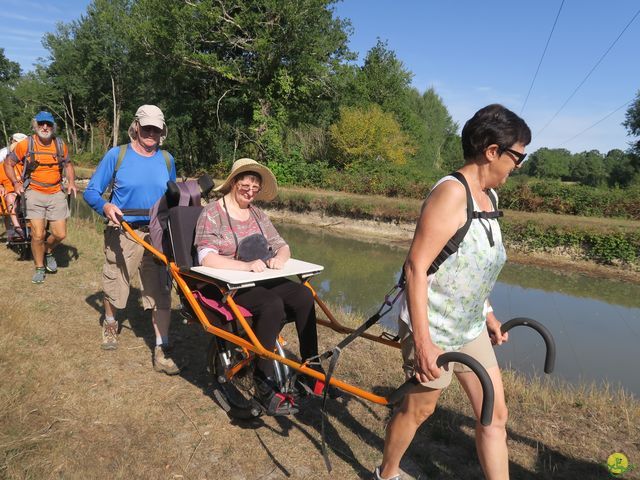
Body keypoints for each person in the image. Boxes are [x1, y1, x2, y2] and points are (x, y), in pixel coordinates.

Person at [373, 104, 531, 480]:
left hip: (471, 327)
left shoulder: (490, 198)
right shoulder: (451, 193)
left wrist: (488, 313)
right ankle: (387, 473)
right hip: (434, 327)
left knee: (494, 416)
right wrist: (424, 343)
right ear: (492, 151)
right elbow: (416, 267)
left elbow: (472, 267)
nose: (518, 167)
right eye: (518, 158)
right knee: (419, 410)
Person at [194, 158, 338, 416]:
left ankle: (310, 367)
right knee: (271, 304)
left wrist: (278, 259)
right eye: (245, 185)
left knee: (303, 295)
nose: (250, 191)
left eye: (255, 187)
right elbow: (206, 257)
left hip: (263, 277)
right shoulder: (212, 213)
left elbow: (281, 245)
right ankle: (263, 380)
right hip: (229, 283)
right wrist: (246, 267)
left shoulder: (258, 214)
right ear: (233, 183)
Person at [83, 104, 179, 375]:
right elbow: (91, 191)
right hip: (124, 230)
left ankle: (162, 347)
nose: (151, 133)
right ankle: (111, 322)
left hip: (158, 232)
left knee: (161, 289)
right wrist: (105, 207)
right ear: (136, 126)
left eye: (156, 129)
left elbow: (173, 197)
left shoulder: (168, 160)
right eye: (146, 127)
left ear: (162, 132)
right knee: (116, 280)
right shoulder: (118, 155)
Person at [3, 113, 77, 283]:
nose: (45, 127)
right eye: (42, 124)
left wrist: (71, 182)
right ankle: (39, 267)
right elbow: (9, 163)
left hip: (56, 191)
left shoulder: (59, 144)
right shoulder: (25, 144)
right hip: (34, 192)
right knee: (38, 234)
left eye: (48, 124)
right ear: (35, 125)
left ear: (53, 126)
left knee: (60, 234)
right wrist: (15, 183)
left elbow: (68, 164)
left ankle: (48, 251)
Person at [0, 133, 28, 238]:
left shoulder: (24, 164)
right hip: (10, 192)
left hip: (25, 191)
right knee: (10, 199)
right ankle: (16, 228)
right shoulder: (2, 160)